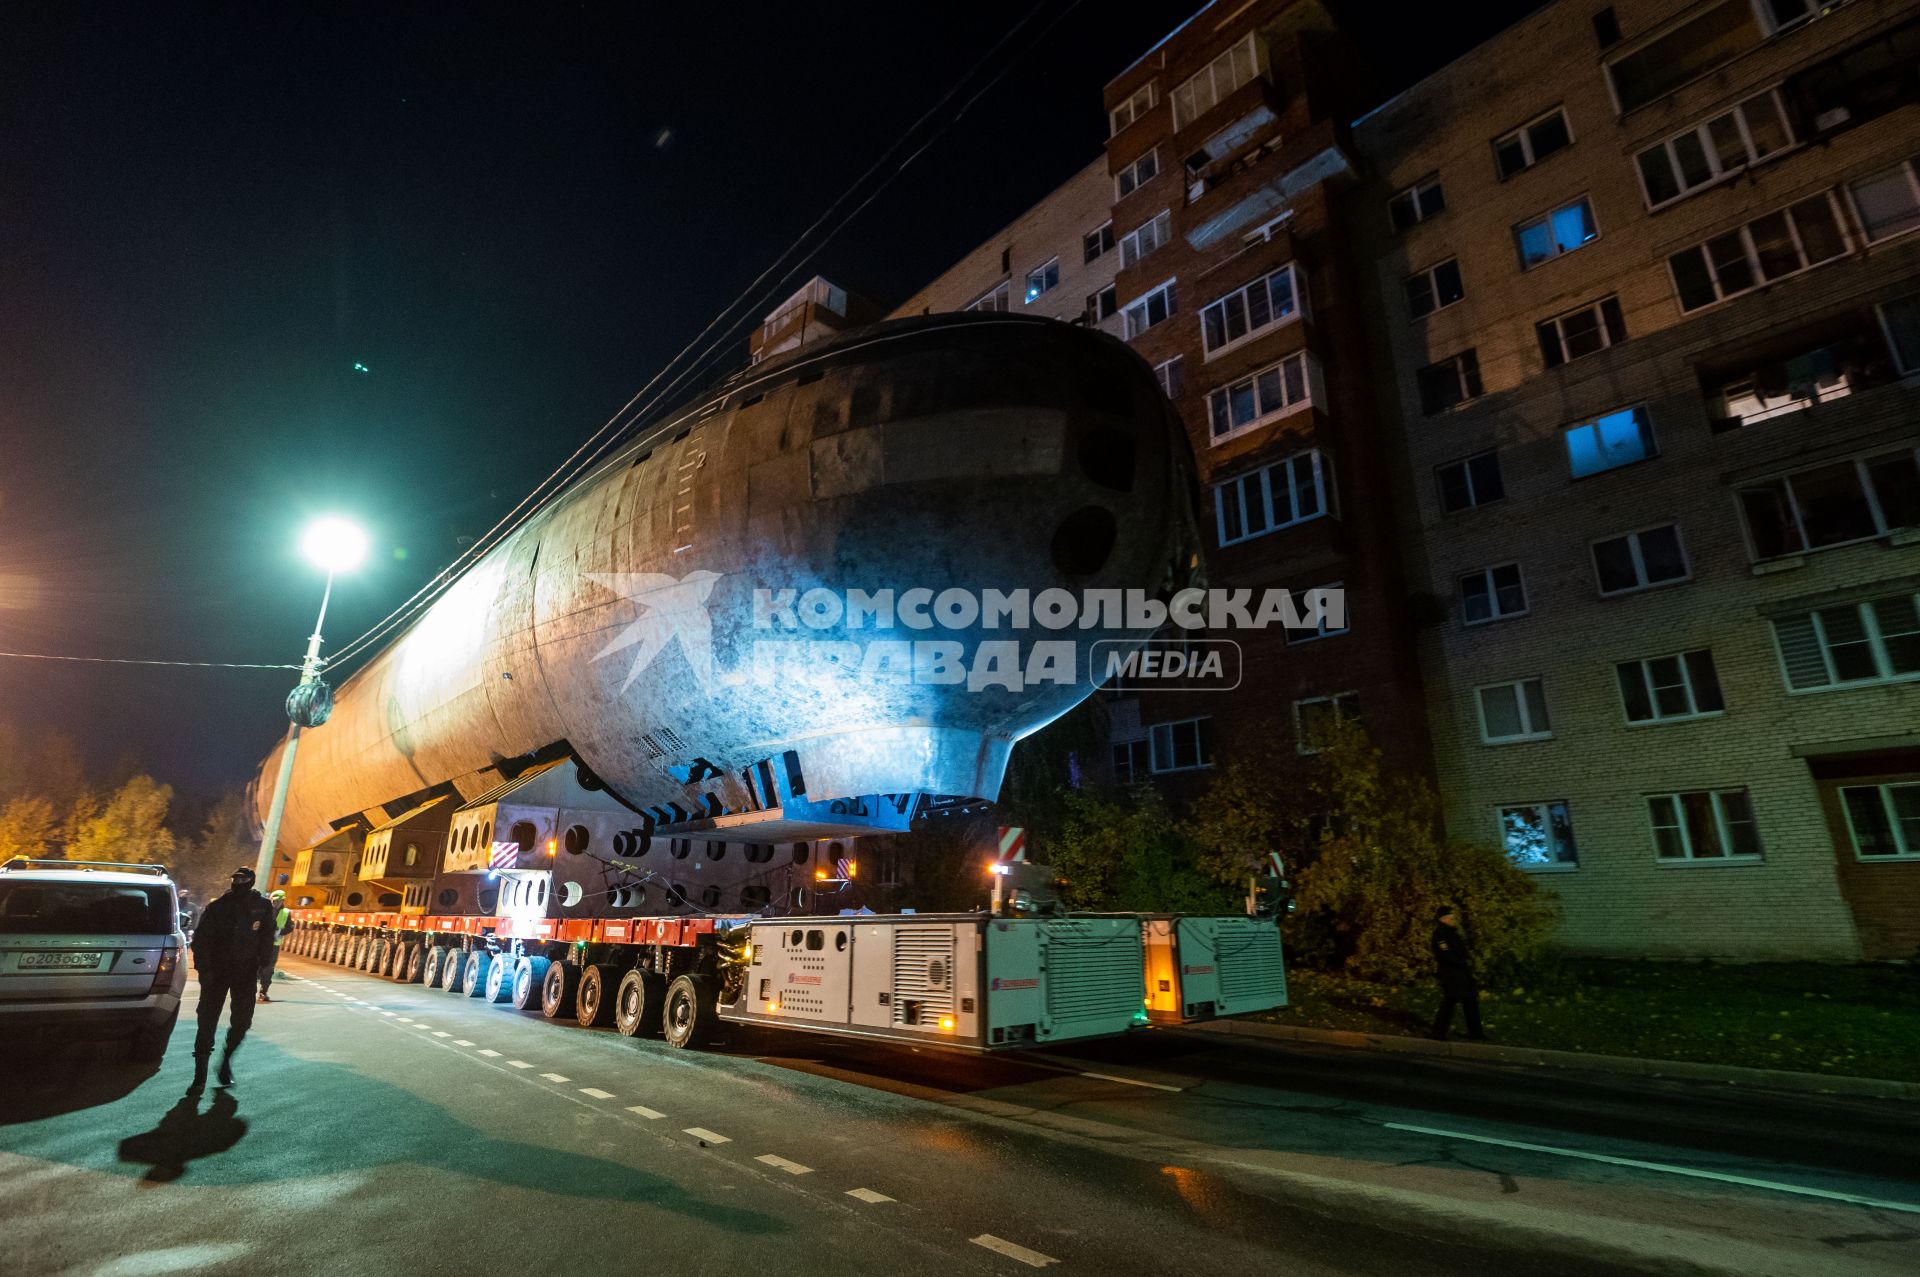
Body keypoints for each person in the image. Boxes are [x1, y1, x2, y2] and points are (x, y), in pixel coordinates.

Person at [187, 866, 276, 1092]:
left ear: (251, 881)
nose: (237, 882)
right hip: (216, 973)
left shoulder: (262, 908)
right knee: (206, 1023)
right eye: (234, 878)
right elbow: (201, 940)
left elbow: (267, 938)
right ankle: (200, 1076)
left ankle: (226, 1061)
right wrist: (204, 970)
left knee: (242, 1022)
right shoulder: (218, 907)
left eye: (242, 879)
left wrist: (263, 965)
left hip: (245, 973)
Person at [1430, 905, 1485, 1042]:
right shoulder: (1440, 935)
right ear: (1443, 918)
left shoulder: (1452, 933)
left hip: (1462, 972)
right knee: (1450, 1001)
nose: (1453, 919)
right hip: (1451, 973)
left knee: (1470, 1000)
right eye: (1451, 917)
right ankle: (1438, 1032)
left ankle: (1476, 1032)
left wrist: (1467, 961)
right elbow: (1445, 955)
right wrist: (1461, 962)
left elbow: (1462, 951)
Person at [258, 889, 293, 1003]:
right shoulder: (264, 909)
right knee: (256, 967)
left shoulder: (286, 912)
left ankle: (263, 992)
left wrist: (281, 932)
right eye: (275, 901)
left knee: (268, 969)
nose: (277, 903)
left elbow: (290, 927)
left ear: (282, 901)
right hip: (260, 943)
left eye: (279, 901)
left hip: (274, 945)